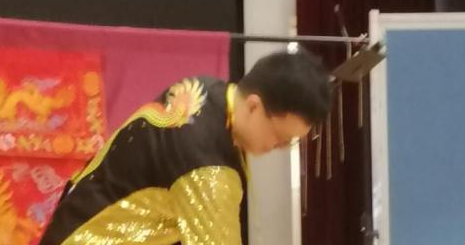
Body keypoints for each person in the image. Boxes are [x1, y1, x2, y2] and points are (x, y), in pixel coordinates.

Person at [40, 50, 331, 245]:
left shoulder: (208, 91)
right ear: (254, 106)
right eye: (280, 138)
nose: (278, 148)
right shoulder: (209, 168)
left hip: (73, 225)